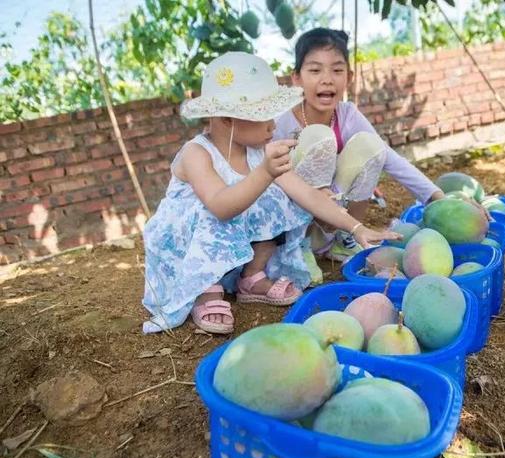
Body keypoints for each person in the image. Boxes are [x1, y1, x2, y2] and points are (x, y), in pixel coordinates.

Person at [142, 51, 399, 335]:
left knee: (275, 199)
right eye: (263, 117)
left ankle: (252, 276)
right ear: (227, 119)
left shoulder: (256, 153)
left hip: (227, 242)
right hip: (189, 247)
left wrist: (356, 226)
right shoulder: (197, 153)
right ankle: (206, 289)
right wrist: (264, 174)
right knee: (220, 208)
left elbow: (306, 193)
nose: (273, 125)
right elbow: (220, 206)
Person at [273, 27, 444, 270]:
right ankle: (298, 248)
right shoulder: (281, 122)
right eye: (314, 70)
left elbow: (390, 159)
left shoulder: (347, 115)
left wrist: (438, 198)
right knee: (316, 137)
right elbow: (267, 178)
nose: (327, 79)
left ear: (349, 77)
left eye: (337, 70)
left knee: (371, 145)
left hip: (335, 219)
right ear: (296, 78)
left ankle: (345, 238)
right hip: (292, 222)